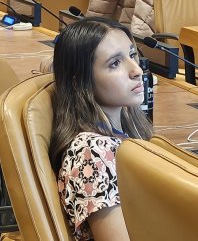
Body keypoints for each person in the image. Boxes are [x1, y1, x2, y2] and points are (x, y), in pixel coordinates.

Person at [51, 18, 153, 241]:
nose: (136, 70)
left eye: (132, 55)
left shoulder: (120, 132)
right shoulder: (92, 152)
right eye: (115, 63)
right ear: (80, 82)